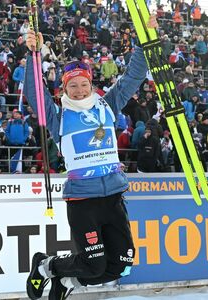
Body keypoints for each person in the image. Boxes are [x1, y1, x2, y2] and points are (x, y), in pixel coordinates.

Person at [23, 15, 158, 300]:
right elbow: (35, 94)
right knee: (94, 264)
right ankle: (47, 266)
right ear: (64, 88)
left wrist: (144, 42)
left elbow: (133, 77)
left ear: (91, 83)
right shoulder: (59, 117)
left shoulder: (107, 105)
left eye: (84, 84)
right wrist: (32, 55)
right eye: (73, 86)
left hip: (113, 197)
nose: (80, 90)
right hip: (83, 200)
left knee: (121, 265)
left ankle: (68, 280)